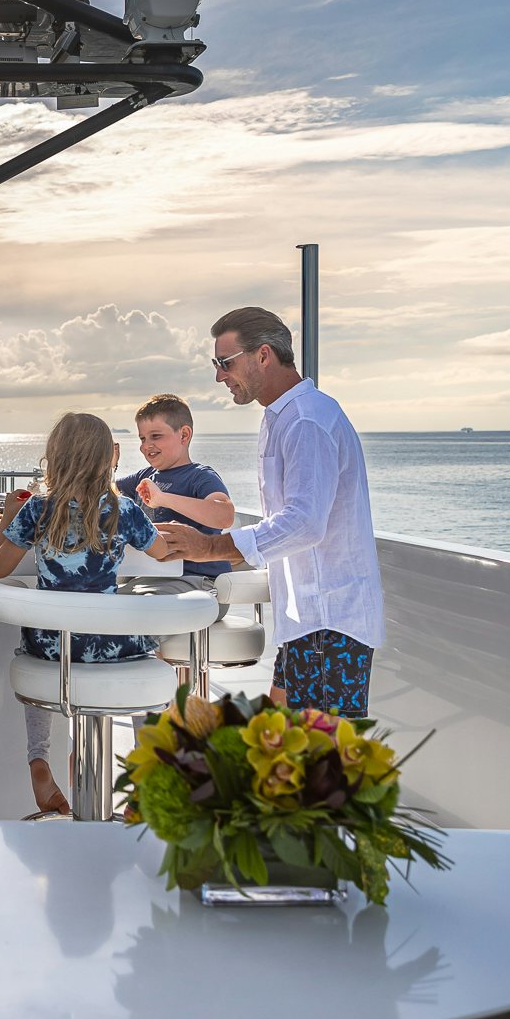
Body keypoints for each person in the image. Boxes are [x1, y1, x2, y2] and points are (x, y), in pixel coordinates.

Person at [149, 307, 383, 718]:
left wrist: (209, 547)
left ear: (262, 356)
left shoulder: (306, 420)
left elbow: (305, 523)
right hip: (306, 619)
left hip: (330, 622)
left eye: (225, 363)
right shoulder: (284, 417)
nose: (220, 376)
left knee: (322, 770)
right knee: (285, 759)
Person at [0, 412, 161, 816]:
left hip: (52, 649)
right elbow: (162, 551)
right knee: (147, 652)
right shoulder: (124, 510)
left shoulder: (37, 511)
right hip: (109, 649)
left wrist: (5, 519)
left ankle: (39, 758)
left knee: (34, 648)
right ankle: (145, 771)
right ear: (107, 459)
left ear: (55, 456)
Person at [116, 394, 235, 613]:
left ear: (184, 435)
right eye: (142, 438)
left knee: (132, 610)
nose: (146, 446)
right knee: (102, 604)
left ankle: (152, 647)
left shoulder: (200, 476)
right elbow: (106, 494)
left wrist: (163, 498)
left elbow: (224, 514)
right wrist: (108, 466)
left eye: (156, 436)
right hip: (150, 582)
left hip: (199, 584)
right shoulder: (145, 475)